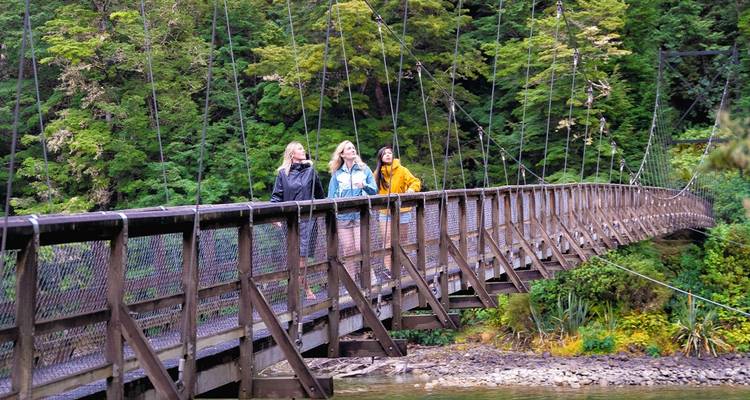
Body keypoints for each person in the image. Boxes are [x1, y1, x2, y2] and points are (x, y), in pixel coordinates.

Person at [271, 141, 325, 299]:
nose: (304, 150)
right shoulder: (283, 173)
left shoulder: (310, 171)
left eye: (303, 148)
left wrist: (312, 170)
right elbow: (276, 197)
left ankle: (305, 290)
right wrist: (274, 217)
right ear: (292, 154)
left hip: (308, 220)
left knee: (302, 256)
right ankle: (301, 289)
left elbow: (320, 195)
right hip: (291, 221)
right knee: (295, 256)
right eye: (300, 149)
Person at [327, 140, 377, 279]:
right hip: (343, 217)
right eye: (349, 149)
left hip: (360, 215)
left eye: (354, 148)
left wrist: (364, 185)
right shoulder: (337, 174)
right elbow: (330, 196)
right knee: (348, 250)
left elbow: (374, 191)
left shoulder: (364, 169)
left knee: (360, 247)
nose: (353, 150)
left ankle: (369, 276)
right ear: (342, 154)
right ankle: (351, 280)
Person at [374, 145, 421, 271]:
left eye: (390, 153)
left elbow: (415, 181)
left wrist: (411, 189)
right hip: (385, 211)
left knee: (402, 240)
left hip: (402, 210)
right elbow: (372, 189)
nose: (388, 155)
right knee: (388, 240)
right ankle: (389, 270)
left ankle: (402, 267)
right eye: (385, 153)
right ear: (381, 157)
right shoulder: (378, 173)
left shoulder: (402, 170)